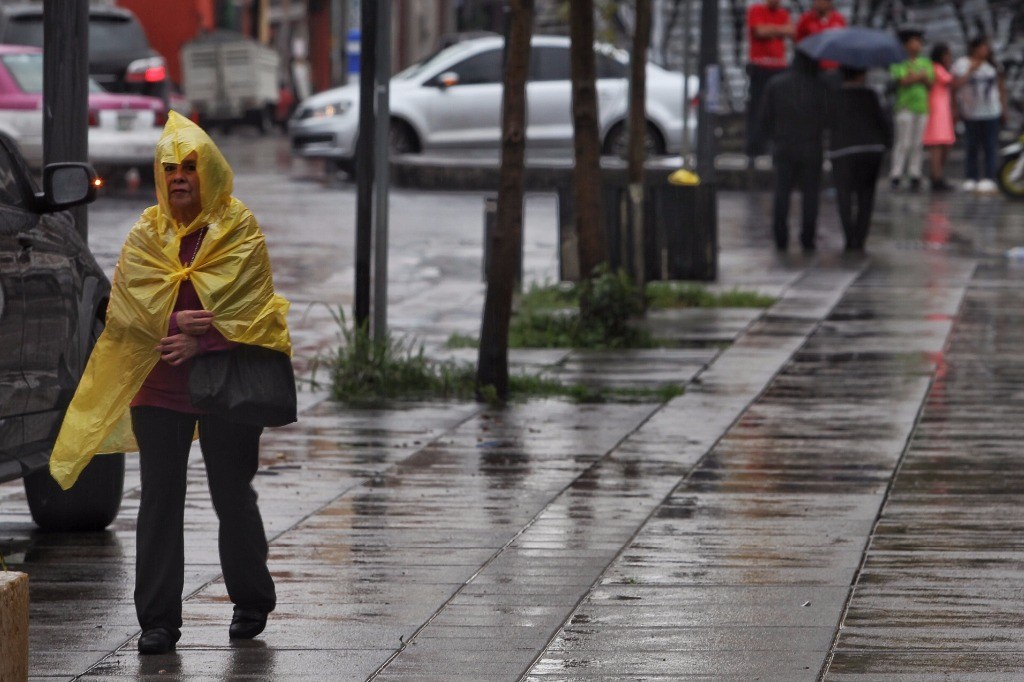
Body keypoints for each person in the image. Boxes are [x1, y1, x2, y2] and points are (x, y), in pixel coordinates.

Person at [48, 112, 292, 655]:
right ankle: (159, 621)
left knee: (232, 495)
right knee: (160, 499)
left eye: (188, 167)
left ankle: (251, 599)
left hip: (228, 388)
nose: (178, 177)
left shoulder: (239, 230)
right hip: (158, 390)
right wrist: (176, 324)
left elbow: (254, 309)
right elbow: (125, 311)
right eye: (169, 168)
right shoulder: (146, 233)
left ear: (208, 171)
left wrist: (204, 341)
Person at [759, 51, 829, 251]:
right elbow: (828, 117)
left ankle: (780, 237)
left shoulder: (776, 84)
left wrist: (775, 137)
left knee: (781, 193)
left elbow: (765, 117)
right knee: (810, 196)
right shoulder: (820, 86)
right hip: (811, 147)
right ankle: (808, 237)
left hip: (783, 146)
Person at [829, 66, 892, 251]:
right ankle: (861, 237)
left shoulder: (834, 96)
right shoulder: (870, 95)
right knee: (866, 196)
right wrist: (887, 143)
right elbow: (883, 121)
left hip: (843, 151)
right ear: (862, 74)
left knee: (844, 195)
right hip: (870, 150)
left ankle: (849, 237)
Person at [952, 35, 1008, 194]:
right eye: (983, 47)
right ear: (974, 48)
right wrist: (970, 71)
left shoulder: (993, 66)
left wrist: (1004, 109)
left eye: (987, 47)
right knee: (971, 146)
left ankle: (990, 178)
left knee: (990, 146)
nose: (986, 50)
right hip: (970, 113)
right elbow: (954, 86)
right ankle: (971, 177)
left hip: (991, 112)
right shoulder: (962, 63)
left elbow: (1002, 87)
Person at [746, 0, 794, 158]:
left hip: (779, 67)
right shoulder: (756, 10)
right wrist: (780, 30)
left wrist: (772, 30)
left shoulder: (783, 13)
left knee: (779, 109)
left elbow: (791, 31)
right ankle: (755, 147)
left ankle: (775, 145)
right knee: (758, 107)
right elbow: (760, 32)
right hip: (760, 68)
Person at [888, 28, 933, 192]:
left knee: (917, 143)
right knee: (903, 142)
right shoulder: (899, 61)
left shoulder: (925, 62)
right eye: (915, 42)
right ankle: (896, 173)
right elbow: (903, 80)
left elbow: (929, 82)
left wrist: (918, 77)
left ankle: (915, 173)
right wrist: (918, 77)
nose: (918, 45)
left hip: (921, 107)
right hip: (904, 106)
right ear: (906, 44)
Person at [923, 43, 956, 191]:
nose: (949, 58)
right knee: (936, 145)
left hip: (944, 111)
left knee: (945, 145)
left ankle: (938, 175)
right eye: (946, 55)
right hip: (936, 111)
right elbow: (952, 82)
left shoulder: (941, 69)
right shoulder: (935, 68)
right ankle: (936, 177)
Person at [794, 0, 847, 76]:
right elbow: (798, 42)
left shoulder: (838, 19)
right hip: (812, 68)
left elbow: (843, 43)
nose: (819, 3)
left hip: (833, 67)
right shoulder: (806, 19)